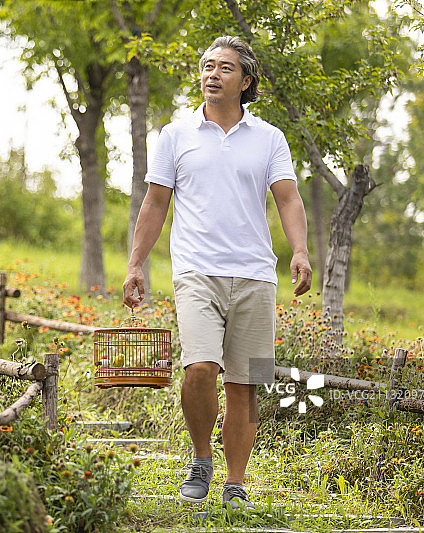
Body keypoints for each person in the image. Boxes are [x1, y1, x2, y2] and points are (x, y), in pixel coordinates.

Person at [122, 35, 311, 510]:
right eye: (207, 66)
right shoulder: (175, 135)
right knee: (201, 368)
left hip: (255, 274)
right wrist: (135, 264)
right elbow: (156, 202)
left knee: (245, 382)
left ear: (245, 81)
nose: (212, 74)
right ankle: (202, 458)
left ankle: (235, 482)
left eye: (225, 68)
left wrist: (301, 252)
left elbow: (288, 197)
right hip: (196, 271)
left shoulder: (270, 138)